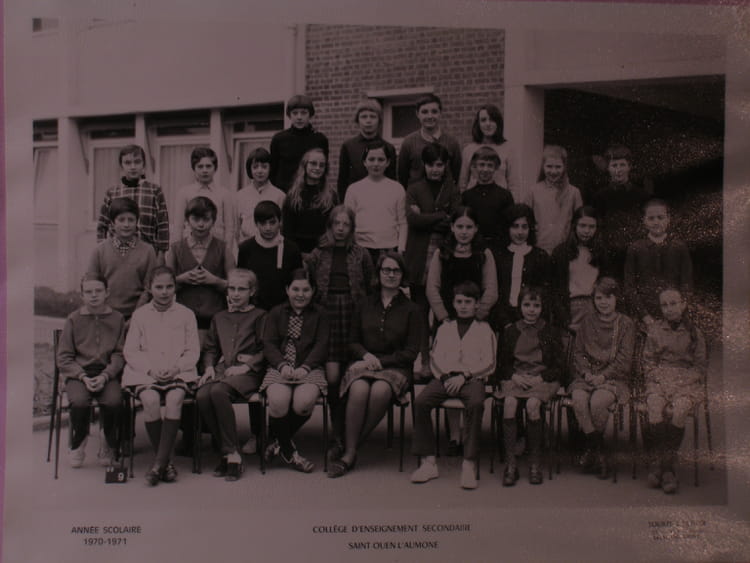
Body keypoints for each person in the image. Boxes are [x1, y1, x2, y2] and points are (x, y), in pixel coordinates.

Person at [327, 252, 423, 478]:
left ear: (403, 275)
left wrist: (381, 361)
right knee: (359, 389)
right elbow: (352, 341)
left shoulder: (412, 309)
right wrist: (366, 355)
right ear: (378, 273)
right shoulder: (363, 303)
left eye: (396, 270)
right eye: (386, 270)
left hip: (396, 366)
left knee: (380, 390)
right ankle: (350, 449)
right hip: (365, 362)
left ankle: (349, 451)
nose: (391, 275)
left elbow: (410, 352)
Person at [410, 282, 496, 489]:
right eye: (459, 302)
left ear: (477, 304)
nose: (463, 306)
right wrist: (446, 377)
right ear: (453, 304)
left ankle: (469, 463)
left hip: (472, 378)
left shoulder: (485, 330)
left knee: (475, 404)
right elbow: (434, 358)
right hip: (446, 378)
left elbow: (490, 363)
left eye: (468, 302)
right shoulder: (445, 328)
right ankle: (429, 462)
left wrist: (465, 376)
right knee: (421, 402)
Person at [305, 205, 374, 451]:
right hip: (327, 315)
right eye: (337, 224)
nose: (341, 229)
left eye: (346, 224)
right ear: (330, 226)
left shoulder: (361, 254)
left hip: (353, 314)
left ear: (352, 227)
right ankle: (336, 428)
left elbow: (369, 285)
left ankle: (348, 431)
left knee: (351, 373)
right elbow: (310, 286)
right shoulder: (317, 254)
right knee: (333, 376)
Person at [123, 266, 200, 486]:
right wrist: (150, 369)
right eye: (159, 287)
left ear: (175, 287)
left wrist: (177, 368)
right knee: (150, 400)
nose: (164, 292)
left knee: (175, 398)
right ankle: (167, 463)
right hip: (146, 372)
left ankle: (158, 464)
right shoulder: (140, 315)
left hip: (178, 371)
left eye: (169, 286)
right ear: (149, 288)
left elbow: (193, 351)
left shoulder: (186, 314)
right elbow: (131, 351)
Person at [196, 269, 266, 481]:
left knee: (218, 392)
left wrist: (247, 366)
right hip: (224, 370)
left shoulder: (260, 316)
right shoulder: (219, 317)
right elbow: (210, 348)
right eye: (232, 289)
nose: (235, 294)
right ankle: (229, 452)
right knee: (202, 395)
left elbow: (267, 349)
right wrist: (209, 367)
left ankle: (231, 456)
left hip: (249, 373)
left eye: (241, 289)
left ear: (252, 291)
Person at [261, 269, 329, 473]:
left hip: (310, 367)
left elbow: (322, 345)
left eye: (306, 290)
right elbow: (269, 344)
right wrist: (282, 365)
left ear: (313, 290)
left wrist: (305, 367)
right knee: (278, 401)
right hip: (279, 367)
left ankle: (276, 440)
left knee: (304, 403)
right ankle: (290, 452)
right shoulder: (275, 313)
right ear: (287, 290)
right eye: (295, 289)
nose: (300, 294)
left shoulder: (321, 314)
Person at [404, 143, 461, 378]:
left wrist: (427, 216)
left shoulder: (452, 189)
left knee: (441, 311)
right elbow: (413, 220)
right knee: (420, 313)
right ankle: (425, 363)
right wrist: (440, 215)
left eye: (439, 165)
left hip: (444, 255)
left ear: (445, 165)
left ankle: (440, 362)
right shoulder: (414, 188)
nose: (435, 169)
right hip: (419, 257)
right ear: (424, 166)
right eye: (430, 165)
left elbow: (454, 220)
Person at [642, 287, 707, 494]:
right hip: (660, 380)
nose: (669, 309)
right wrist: (662, 380)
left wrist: (680, 382)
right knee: (654, 406)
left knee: (679, 409)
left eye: (673, 303)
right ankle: (666, 467)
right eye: (664, 305)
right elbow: (648, 363)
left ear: (683, 305)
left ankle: (665, 468)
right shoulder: (655, 331)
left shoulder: (695, 333)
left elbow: (700, 368)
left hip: (686, 383)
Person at [56, 274, 126, 468]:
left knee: (114, 401)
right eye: (88, 292)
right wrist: (82, 376)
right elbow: (64, 357)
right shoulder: (73, 319)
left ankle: (107, 441)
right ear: (82, 295)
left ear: (107, 293)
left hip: (107, 372)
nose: (94, 295)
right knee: (79, 402)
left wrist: (106, 375)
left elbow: (120, 353)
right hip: (79, 374)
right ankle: (79, 440)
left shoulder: (117, 318)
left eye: (98, 291)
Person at [569, 277, 635, 479]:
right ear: (593, 299)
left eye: (608, 297)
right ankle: (598, 450)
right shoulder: (587, 322)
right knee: (578, 399)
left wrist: (603, 376)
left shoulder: (626, 324)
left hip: (614, 377)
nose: (603, 302)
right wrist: (587, 373)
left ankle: (591, 451)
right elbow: (578, 352)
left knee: (598, 402)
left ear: (617, 298)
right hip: (588, 376)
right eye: (599, 298)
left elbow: (624, 359)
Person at [497, 286, 562, 486]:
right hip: (517, 378)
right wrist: (514, 377)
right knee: (509, 403)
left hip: (542, 379)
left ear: (542, 307)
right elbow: (502, 364)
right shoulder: (511, 331)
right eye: (527, 305)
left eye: (536, 305)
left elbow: (559, 366)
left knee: (533, 405)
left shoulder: (550, 331)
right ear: (520, 306)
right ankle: (511, 465)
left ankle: (535, 464)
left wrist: (540, 378)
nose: (531, 310)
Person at [166, 196, 231, 339]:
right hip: (182, 318)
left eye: (206, 219)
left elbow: (234, 286)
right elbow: (164, 285)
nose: (201, 224)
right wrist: (181, 279)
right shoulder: (175, 249)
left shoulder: (223, 248)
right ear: (187, 220)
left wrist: (215, 281)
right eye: (196, 219)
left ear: (213, 221)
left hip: (215, 319)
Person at [624, 199, 693, 328]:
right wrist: (645, 316)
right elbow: (629, 287)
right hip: (645, 313)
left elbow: (687, 283)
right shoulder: (635, 248)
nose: (656, 222)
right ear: (644, 221)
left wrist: (680, 309)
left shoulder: (679, 247)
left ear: (668, 219)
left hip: (675, 312)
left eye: (660, 217)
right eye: (651, 218)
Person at [88, 197, 157, 321]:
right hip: (105, 315)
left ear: (137, 222)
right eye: (121, 220)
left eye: (131, 220)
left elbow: (149, 289)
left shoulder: (148, 251)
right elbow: (92, 285)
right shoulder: (99, 251)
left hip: (138, 315)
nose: (126, 224)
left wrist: (135, 317)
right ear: (112, 223)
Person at [96, 144, 170, 260]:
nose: (133, 167)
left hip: (147, 255)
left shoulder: (154, 191)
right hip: (117, 255)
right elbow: (102, 226)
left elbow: (163, 225)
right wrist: (103, 252)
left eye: (137, 162)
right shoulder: (112, 192)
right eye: (128, 163)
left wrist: (161, 255)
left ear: (144, 164)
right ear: (121, 166)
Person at [591, 145, 651, 278]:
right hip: (610, 253)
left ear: (629, 166)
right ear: (608, 168)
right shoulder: (600, 196)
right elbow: (597, 227)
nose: (618, 170)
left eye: (622, 165)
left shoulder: (642, 195)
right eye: (614, 165)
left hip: (635, 252)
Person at [344, 141, 407, 263]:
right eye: (371, 159)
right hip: (361, 247)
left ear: (388, 162)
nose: (376, 164)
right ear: (364, 162)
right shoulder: (354, 189)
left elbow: (403, 222)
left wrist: (400, 248)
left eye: (381, 159)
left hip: (389, 248)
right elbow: (349, 222)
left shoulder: (397, 188)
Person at [550, 206, 610, 331]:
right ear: (574, 226)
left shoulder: (601, 253)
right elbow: (555, 290)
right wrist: (565, 320)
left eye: (591, 227)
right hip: (569, 308)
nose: (587, 231)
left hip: (594, 306)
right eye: (582, 226)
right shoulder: (561, 252)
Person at [494, 203, 552, 330]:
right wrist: (505, 322)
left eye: (524, 227)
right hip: (504, 319)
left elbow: (545, 292)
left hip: (531, 318)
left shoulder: (540, 256)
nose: (520, 232)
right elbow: (496, 291)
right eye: (515, 226)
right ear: (507, 228)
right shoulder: (498, 256)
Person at [237, 201, 303, 312]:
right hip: (253, 310)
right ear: (256, 224)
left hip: (284, 310)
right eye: (263, 223)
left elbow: (298, 282)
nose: (268, 228)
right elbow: (241, 281)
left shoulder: (291, 249)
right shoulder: (246, 248)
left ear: (280, 222)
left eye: (272, 223)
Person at [171, 147, 237, 247]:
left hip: (216, 248)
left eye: (208, 166)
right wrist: (177, 252)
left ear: (215, 168)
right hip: (190, 248)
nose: (205, 170)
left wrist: (227, 252)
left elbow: (229, 229)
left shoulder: (224, 194)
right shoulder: (184, 193)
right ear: (194, 168)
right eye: (200, 166)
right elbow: (178, 227)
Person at [524, 145, 583, 255]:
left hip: (564, 251)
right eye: (549, 166)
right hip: (538, 249)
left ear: (564, 167)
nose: (553, 171)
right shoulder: (533, 191)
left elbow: (579, 224)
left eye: (558, 167)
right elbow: (525, 221)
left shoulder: (574, 193)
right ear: (543, 167)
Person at [337, 99, 397, 200]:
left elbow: (392, 179)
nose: (368, 121)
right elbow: (342, 180)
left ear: (379, 120)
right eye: (364, 117)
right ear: (357, 120)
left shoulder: (389, 148)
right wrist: (344, 204)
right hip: (356, 199)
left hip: (381, 198)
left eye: (373, 116)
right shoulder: (348, 146)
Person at [282, 148, 339, 254]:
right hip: (298, 252)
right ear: (305, 165)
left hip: (324, 252)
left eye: (321, 165)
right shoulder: (292, 196)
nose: (317, 168)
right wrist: (298, 255)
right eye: (313, 163)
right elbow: (287, 232)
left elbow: (335, 225)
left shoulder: (331, 195)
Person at [457, 104, 520, 201]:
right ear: (478, 124)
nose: (488, 124)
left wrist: (512, 207)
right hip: (474, 202)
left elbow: (514, 186)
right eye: (483, 120)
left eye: (492, 120)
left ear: (498, 123)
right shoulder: (468, 150)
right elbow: (463, 184)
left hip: (499, 203)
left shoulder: (508, 149)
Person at [397, 94, 461, 188]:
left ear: (440, 113)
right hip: (416, 195)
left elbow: (456, 174)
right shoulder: (408, 142)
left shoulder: (452, 142)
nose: (430, 116)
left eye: (434, 111)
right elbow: (402, 176)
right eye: (424, 112)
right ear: (417, 114)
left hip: (444, 195)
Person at [269, 94, 329, 192]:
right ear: (289, 115)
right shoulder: (279, 139)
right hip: (285, 193)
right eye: (295, 113)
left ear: (310, 114)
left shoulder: (320, 139)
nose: (299, 117)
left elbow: (323, 170)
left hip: (311, 192)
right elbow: (273, 172)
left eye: (304, 113)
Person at [460, 146, 514, 251]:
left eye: (490, 165)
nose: (485, 169)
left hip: (498, 247)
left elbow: (509, 225)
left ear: (496, 168)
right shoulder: (467, 196)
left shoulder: (505, 195)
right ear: (474, 166)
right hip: (473, 246)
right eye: (481, 164)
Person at [236, 148, 286, 244]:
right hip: (246, 246)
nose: (260, 171)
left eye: (264, 167)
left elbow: (282, 227)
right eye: (255, 167)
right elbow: (236, 228)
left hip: (272, 245)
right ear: (250, 169)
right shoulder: (239, 196)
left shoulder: (280, 196)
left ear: (270, 168)